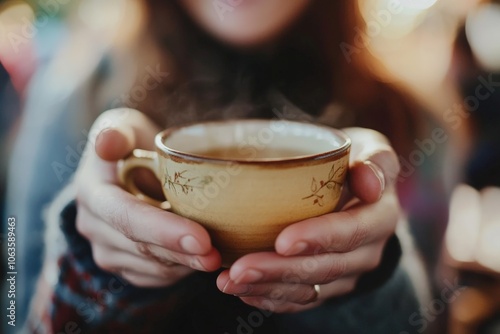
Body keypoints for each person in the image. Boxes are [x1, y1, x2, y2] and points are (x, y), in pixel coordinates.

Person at [8, 0, 434, 333]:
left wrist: (371, 280)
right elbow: (18, 318)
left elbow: (437, 323)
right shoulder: (70, 103)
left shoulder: (417, 118)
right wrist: (96, 267)